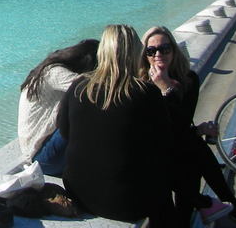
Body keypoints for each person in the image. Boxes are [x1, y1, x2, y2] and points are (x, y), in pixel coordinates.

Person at [140, 26, 236, 227]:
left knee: (191, 153)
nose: (158, 54)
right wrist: (196, 130)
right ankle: (224, 207)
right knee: (194, 150)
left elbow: (180, 124)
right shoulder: (142, 85)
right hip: (154, 154)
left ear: (174, 50)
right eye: (151, 51)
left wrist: (166, 88)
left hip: (178, 146)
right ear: (145, 55)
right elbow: (153, 131)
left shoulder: (188, 80)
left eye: (165, 48)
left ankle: (197, 210)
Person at [58, 24, 177, 226]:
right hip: (126, 203)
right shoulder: (146, 93)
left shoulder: (78, 86)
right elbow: (166, 142)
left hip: (78, 192)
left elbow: (64, 131)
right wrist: (168, 92)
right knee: (164, 184)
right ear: (135, 53)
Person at [17, 39, 99, 175]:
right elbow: (93, 90)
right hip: (43, 158)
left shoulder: (49, 69)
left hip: (43, 154)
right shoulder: (54, 73)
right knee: (87, 113)